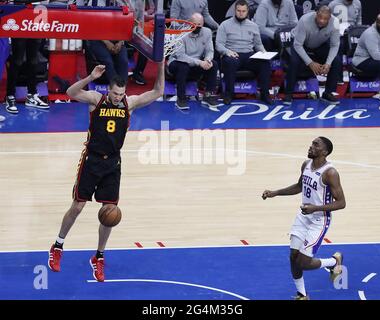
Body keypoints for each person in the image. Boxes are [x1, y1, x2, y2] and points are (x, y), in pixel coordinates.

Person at [48, 61, 165, 281]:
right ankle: (58, 245)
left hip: (113, 164)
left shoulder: (129, 104)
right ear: (108, 90)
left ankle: (99, 257)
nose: (118, 97)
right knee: (78, 206)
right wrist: (91, 77)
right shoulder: (96, 100)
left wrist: (161, 64)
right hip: (91, 160)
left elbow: (158, 91)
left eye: (121, 94)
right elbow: (70, 92)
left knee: (109, 213)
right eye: (114, 93)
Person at [262, 136, 346, 300]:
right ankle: (302, 295)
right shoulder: (306, 165)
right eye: (311, 143)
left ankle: (334, 262)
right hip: (303, 217)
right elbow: (299, 186)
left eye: (316, 145)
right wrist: (275, 193)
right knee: (293, 256)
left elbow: (341, 203)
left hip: (319, 221)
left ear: (325, 151)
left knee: (303, 263)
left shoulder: (330, 173)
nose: (311, 146)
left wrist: (315, 208)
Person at [216, 0, 272, 105]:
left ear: (247, 12)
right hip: (232, 54)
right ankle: (228, 94)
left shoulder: (253, 26)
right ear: (235, 11)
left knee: (264, 63)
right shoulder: (224, 25)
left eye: (243, 11)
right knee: (230, 63)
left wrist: (264, 53)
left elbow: (258, 44)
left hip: (249, 55)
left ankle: (265, 94)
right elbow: (218, 45)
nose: (241, 13)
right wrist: (227, 52)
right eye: (239, 11)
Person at [283, 6, 341, 105]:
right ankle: (288, 93)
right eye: (320, 17)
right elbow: (298, 45)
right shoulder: (304, 20)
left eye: (325, 19)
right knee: (294, 61)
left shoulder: (335, 22)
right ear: (316, 13)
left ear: (330, 18)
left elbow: (335, 45)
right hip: (301, 44)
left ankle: (328, 93)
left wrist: (328, 63)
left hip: (319, 44)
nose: (322, 21)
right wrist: (310, 63)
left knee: (336, 61)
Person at [168, 13, 219, 110]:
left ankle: (208, 95)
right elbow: (180, 56)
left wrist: (207, 60)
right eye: (194, 24)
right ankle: (181, 98)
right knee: (183, 66)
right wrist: (200, 62)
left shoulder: (207, 32)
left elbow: (209, 51)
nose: (196, 27)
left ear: (203, 24)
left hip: (196, 63)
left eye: (199, 25)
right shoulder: (181, 33)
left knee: (214, 64)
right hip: (177, 62)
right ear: (189, 23)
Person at [4, 38, 49, 114]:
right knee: (17, 60)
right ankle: (10, 96)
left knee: (33, 61)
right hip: (20, 29)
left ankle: (32, 95)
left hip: (35, 28)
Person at [352, 13, 380, 103]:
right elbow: (376, 55)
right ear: (377, 23)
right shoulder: (370, 33)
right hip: (361, 60)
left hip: (374, 59)